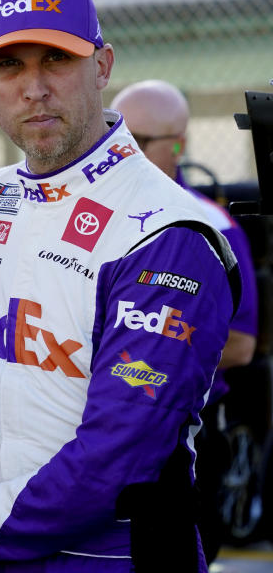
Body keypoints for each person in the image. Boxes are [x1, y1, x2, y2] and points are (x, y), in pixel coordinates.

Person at [0, 0, 241, 572]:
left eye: (57, 60)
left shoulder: (167, 232)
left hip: (115, 552)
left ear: (102, 66)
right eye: (10, 65)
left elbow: (114, 459)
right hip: (2, 540)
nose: (33, 87)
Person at [111, 79, 260, 561]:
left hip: (182, 439)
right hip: (101, 433)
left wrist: (142, 360)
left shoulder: (213, 225)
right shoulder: (98, 216)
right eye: (113, 136)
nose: (118, 151)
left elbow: (240, 345)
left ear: (177, 145)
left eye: (135, 141)